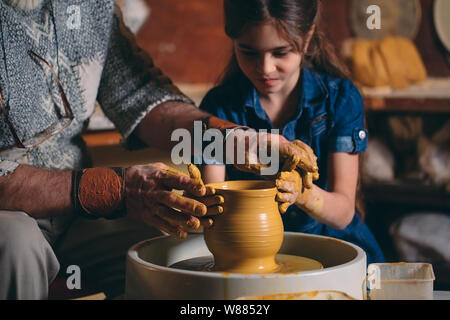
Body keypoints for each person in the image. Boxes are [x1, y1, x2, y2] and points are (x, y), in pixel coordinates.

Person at [0, 0, 317, 299]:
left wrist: (236, 141)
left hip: (72, 207)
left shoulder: (89, 6)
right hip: (11, 207)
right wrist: (116, 189)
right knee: (17, 243)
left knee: (175, 247)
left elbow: (138, 95)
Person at [198, 0, 385, 264]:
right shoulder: (218, 108)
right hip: (248, 250)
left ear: (307, 38)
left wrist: (302, 192)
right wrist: (192, 202)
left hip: (334, 243)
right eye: (248, 52)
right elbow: (214, 203)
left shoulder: (339, 99)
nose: (265, 68)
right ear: (234, 41)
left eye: (280, 52)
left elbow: (343, 212)